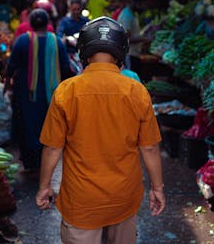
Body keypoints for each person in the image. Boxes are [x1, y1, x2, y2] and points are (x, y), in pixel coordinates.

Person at [35, 17, 165, 244]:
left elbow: (52, 147)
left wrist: (44, 186)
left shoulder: (67, 91)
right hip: (123, 197)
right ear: (121, 51)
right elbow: (150, 147)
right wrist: (157, 188)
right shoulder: (136, 91)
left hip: (81, 200)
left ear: (83, 51)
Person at [4, 9, 71, 170]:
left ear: (30, 23)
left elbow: (11, 66)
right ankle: (46, 161)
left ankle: (30, 163)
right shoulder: (57, 42)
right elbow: (66, 68)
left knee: (26, 126)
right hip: (51, 96)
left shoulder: (22, 41)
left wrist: (7, 84)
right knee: (47, 127)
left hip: (26, 94)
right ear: (47, 24)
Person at [117, 0, 150, 72]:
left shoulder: (133, 14)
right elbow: (126, 39)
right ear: (132, 2)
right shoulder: (126, 16)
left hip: (134, 54)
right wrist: (145, 38)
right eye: (140, 4)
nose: (143, 6)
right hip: (129, 55)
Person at [57, 0, 89, 74]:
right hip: (69, 54)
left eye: (78, 9)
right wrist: (67, 39)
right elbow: (59, 36)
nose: (76, 12)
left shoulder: (86, 21)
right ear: (70, 9)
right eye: (74, 10)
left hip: (84, 54)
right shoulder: (64, 22)